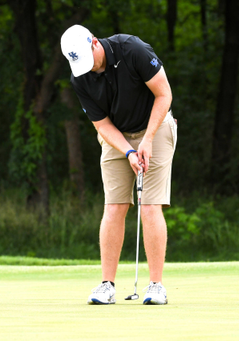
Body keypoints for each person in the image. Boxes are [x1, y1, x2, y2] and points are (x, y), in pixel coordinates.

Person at [60, 24, 176, 305]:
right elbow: (101, 124)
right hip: (117, 136)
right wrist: (128, 152)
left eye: (89, 60)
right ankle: (106, 285)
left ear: (95, 43)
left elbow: (164, 95)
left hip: (156, 126)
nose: (87, 69)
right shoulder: (80, 78)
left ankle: (156, 285)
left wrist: (146, 141)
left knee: (149, 206)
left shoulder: (132, 49)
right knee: (114, 206)